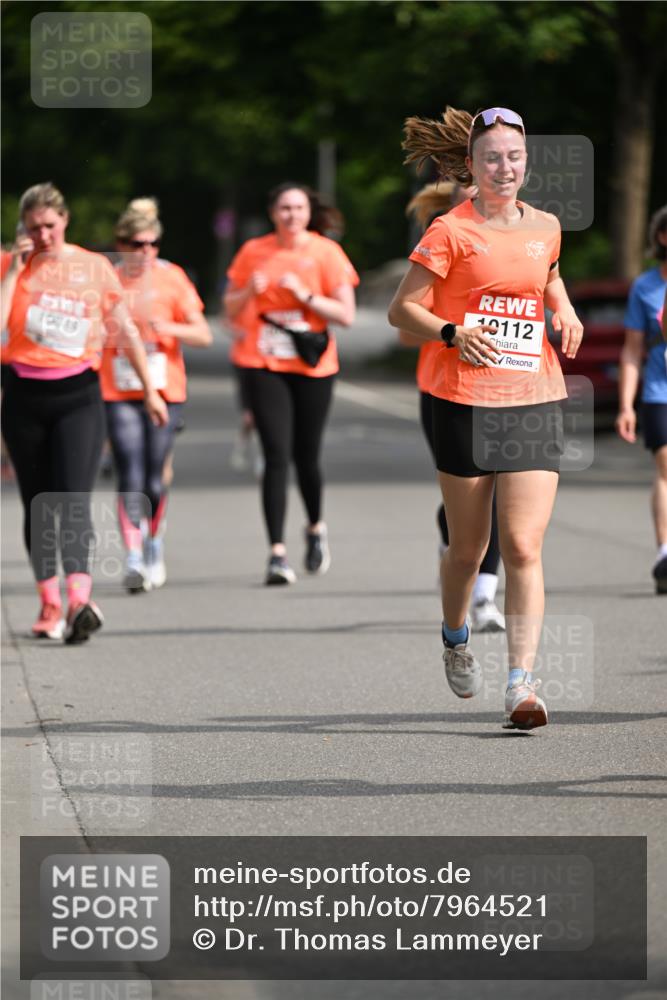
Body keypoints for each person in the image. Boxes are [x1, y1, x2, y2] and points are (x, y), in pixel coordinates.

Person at [388, 107, 583, 730]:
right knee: (469, 549)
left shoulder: (547, 226)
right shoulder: (449, 231)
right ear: (469, 165)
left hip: (533, 393)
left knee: (523, 544)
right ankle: (454, 635)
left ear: (528, 164)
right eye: (492, 157)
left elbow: (546, 278)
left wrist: (567, 310)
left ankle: (521, 684)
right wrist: (451, 330)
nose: (505, 167)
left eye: (515, 157)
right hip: (463, 399)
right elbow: (402, 311)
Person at [1, 183, 167, 643]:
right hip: (23, 397)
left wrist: (151, 391)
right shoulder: (10, 266)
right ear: (22, 229)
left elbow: (125, 330)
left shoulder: (93, 267)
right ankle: (49, 600)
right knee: (38, 504)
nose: (43, 235)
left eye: (50, 226)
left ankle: (79, 600)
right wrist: (14, 270)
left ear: (65, 221)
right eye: (33, 228)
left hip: (79, 396)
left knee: (73, 502)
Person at [223, 183, 359, 585]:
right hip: (262, 361)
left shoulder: (325, 252)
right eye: (284, 207)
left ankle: (315, 527)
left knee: (306, 455)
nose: (291, 215)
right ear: (272, 212)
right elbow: (228, 310)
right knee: (275, 455)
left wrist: (306, 297)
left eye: (298, 207)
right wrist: (250, 289)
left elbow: (345, 314)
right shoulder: (253, 251)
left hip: (312, 365)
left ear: (307, 212)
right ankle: (276, 553)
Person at [398, 181, 506, 633]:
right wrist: (453, 328)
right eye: (466, 190)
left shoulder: (514, 240)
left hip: (504, 385)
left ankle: (483, 596)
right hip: (444, 386)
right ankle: (456, 547)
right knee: (466, 500)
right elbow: (405, 330)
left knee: (499, 490)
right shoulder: (438, 241)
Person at [100, 197, 212, 593]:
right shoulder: (105, 279)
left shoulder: (172, 277)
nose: (145, 251)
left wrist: (167, 327)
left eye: (152, 244)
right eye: (135, 244)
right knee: (128, 468)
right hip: (117, 388)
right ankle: (132, 556)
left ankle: (153, 542)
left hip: (166, 389)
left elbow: (203, 334)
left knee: (153, 476)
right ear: (120, 243)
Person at [615, 205, 667, 594]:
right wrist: (626, 405)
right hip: (658, 392)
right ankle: (665, 552)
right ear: (662, 237)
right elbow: (633, 351)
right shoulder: (646, 288)